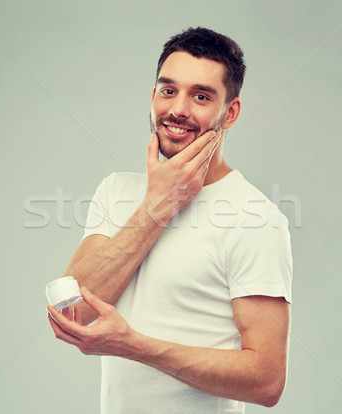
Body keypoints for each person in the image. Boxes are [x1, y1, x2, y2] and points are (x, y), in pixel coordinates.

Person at [47, 27, 293, 413]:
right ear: (153, 97)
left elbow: (267, 380)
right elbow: (73, 315)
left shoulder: (255, 217)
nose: (178, 109)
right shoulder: (115, 191)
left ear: (230, 113)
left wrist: (135, 346)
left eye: (200, 96)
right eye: (168, 90)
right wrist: (156, 207)